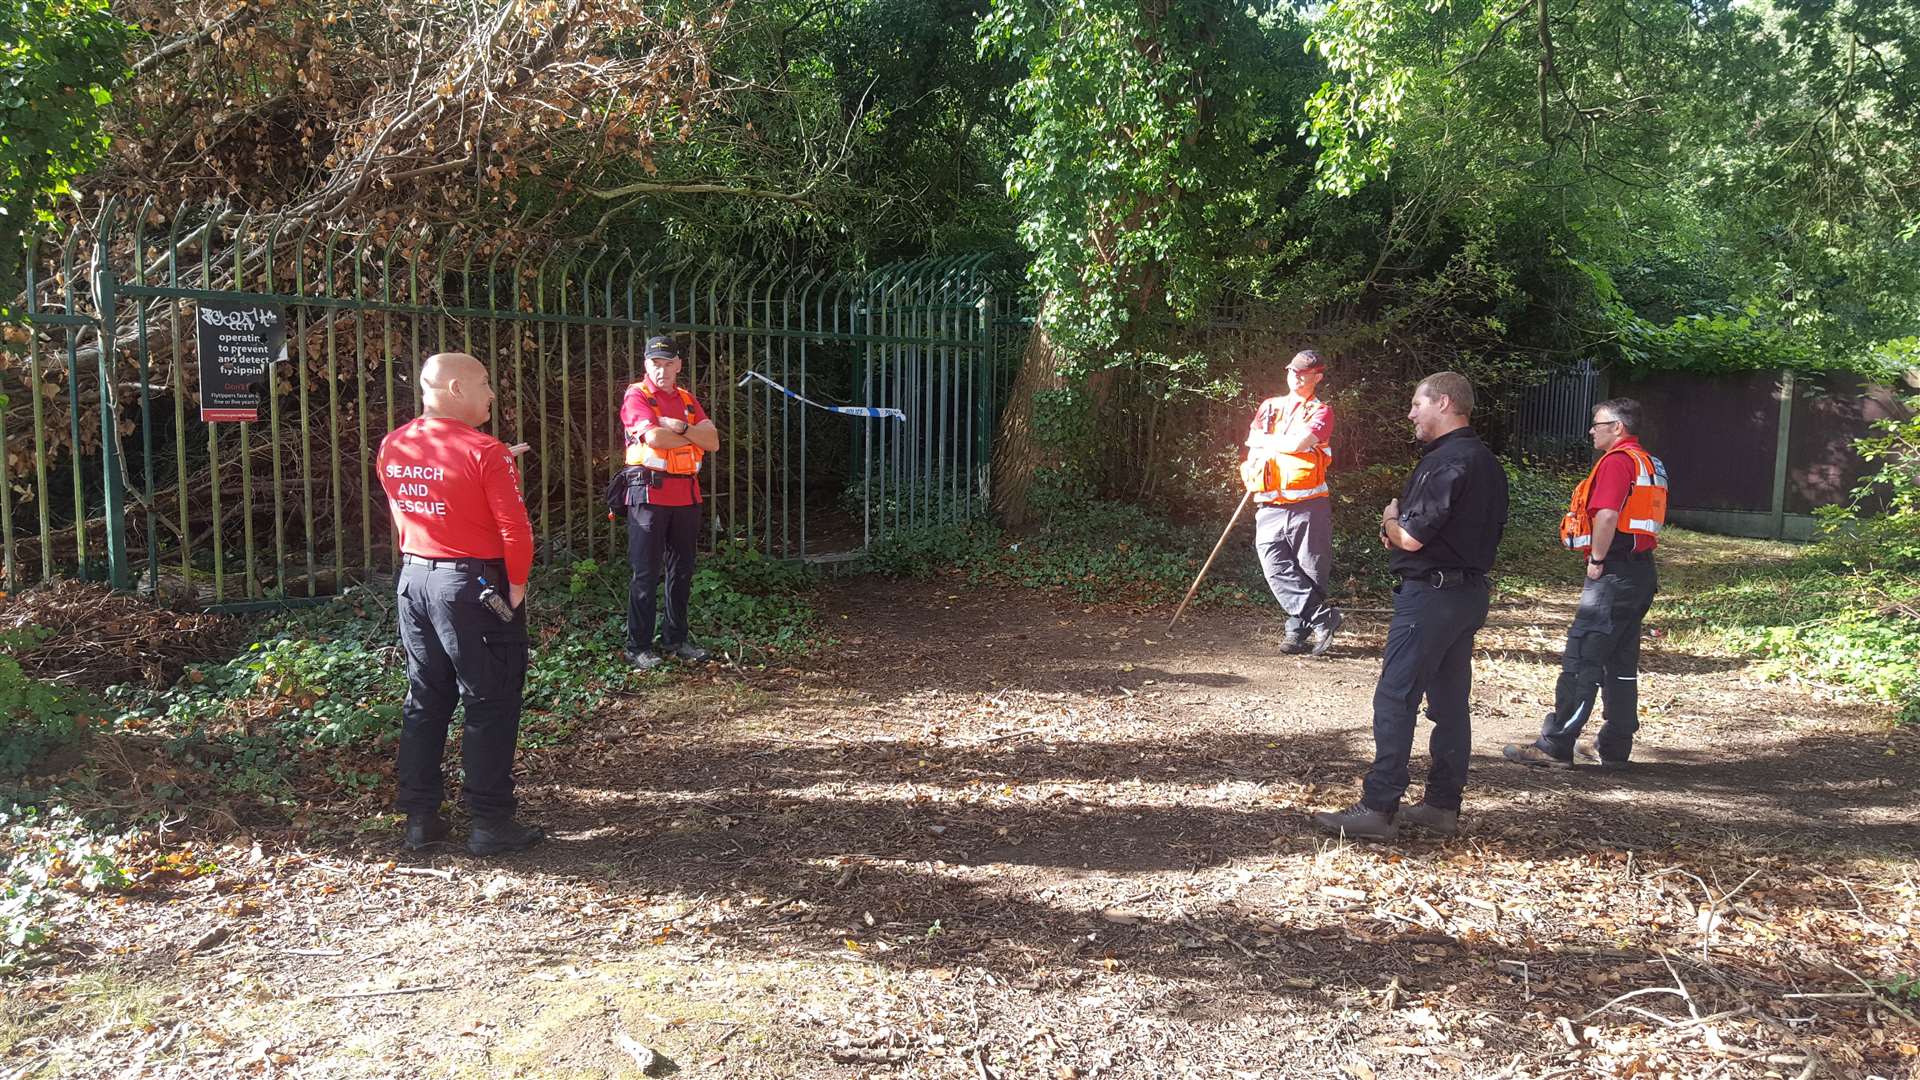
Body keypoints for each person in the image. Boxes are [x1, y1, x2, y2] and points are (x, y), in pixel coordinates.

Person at [1312, 372, 1509, 841]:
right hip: (1468, 595)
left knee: (1395, 699)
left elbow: (1410, 537)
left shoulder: (1445, 463)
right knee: (1449, 704)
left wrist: (1389, 519)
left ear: (1443, 403)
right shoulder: (1486, 462)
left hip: (1431, 598)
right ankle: (1442, 805)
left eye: (1416, 404)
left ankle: (1378, 808)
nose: (1410, 414)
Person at [377, 352, 545, 856]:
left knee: (426, 698)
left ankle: (420, 818)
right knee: (490, 701)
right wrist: (516, 587)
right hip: (473, 588)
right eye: (485, 383)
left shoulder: (394, 444)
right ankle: (491, 822)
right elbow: (514, 528)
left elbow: (423, 503)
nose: (491, 394)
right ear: (454, 389)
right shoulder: (484, 451)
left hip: (415, 578)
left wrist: (494, 463)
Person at [1504, 398, 1666, 770]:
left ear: (1618, 428)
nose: (1592, 430)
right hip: (1640, 573)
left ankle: (1555, 744)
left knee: (1582, 659)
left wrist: (1596, 560)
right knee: (1621, 663)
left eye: (1597, 423)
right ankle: (1614, 745)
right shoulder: (1649, 463)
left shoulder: (1617, 462)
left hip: (1612, 574)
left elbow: (1607, 515)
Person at [616, 335, 721, 670]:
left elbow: (713, 440)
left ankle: (676, 639)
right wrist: (688, 434)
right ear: (646, 364)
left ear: (678, 365)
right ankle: (638, 646)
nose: (661, 370)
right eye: (654, 364)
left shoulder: (687, 400)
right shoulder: (637, 395)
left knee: (682, 571)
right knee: (645, 573)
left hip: (686, 496)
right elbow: (653, 438)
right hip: (648, 495)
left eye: (667, 363)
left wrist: (678, 425)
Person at [1241, 349, 1342, 655]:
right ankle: (1325, 618)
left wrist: (1271, 443)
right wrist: (1280, 444)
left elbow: (1300, 443)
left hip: (1309, 505)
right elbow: (1251, 442)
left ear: (1317, 377)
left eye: (1303, 373)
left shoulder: (1322, 412)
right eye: (1292, 371)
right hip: (1269, 504)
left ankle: (1297, 632)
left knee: (1311, 571)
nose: (1296, 377)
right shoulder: (1269, 407)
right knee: (1274, 566)